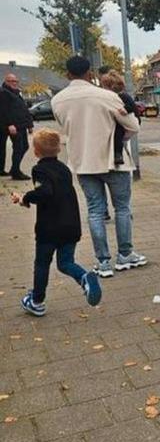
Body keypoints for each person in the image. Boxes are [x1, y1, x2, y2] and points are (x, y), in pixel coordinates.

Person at [51, 55, 146, 278]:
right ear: (90, 73)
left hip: (82, 162)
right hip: (114, 161)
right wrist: (120, 136)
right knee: (122, 208)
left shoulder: (58, 100)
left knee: (95, 211)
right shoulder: (106, 96)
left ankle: (103, 262)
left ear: (67, 74)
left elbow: (64, 126)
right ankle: (125, 254)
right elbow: (133, 126)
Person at [10, 129, 102, 317]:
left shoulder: (39, 169)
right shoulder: (64, 169)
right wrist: (27, 200)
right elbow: (56, 193)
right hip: (70, 225)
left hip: (49, 229)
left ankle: (37, 301)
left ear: (36, 152)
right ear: (59, 149)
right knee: (66, 262)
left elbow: (45, 192)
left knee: (42, 263)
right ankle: (84, 277)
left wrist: (25, 197)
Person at [99, 70, 137, 167]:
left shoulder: (122, 96)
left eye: (104, 86)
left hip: (123, 123)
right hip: (120, 121)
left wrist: (126, 109)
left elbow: (133, 107)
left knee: (118, 132)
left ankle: (118, 154)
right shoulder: (114, 96)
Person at [0, 71, 34, 180]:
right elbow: (3, 110)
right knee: (19, 147)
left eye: (16, 81)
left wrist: (29, 125)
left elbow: (24, 109)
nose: (15, 83)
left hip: (21, 125)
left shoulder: (16, 93)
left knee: (24, 146)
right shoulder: (3, 93)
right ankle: (15, 172)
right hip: (12, 126)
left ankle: (11, 169)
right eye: (12, 81)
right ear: (6, 81)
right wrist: (10, 124)